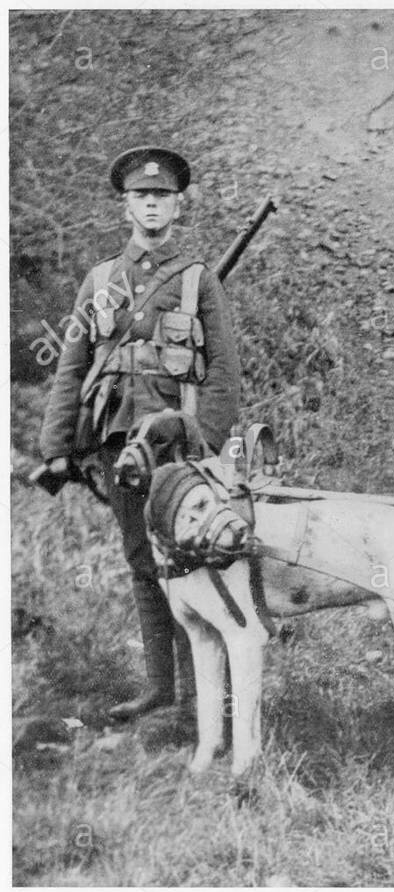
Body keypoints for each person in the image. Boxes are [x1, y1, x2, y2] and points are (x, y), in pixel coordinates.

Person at [38, 146, 241, 720]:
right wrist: (55, 449)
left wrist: (208, 441)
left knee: (193, 557)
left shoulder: (198, 278)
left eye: (163, 196)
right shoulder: (101, 279)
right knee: (141, 560)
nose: (152, 205)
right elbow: (72, 366)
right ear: (125, 206)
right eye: (141, 196)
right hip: (116, 441)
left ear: (178, 206)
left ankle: (206, 695)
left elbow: (224, 367)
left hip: (177, 446)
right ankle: (162, 690)